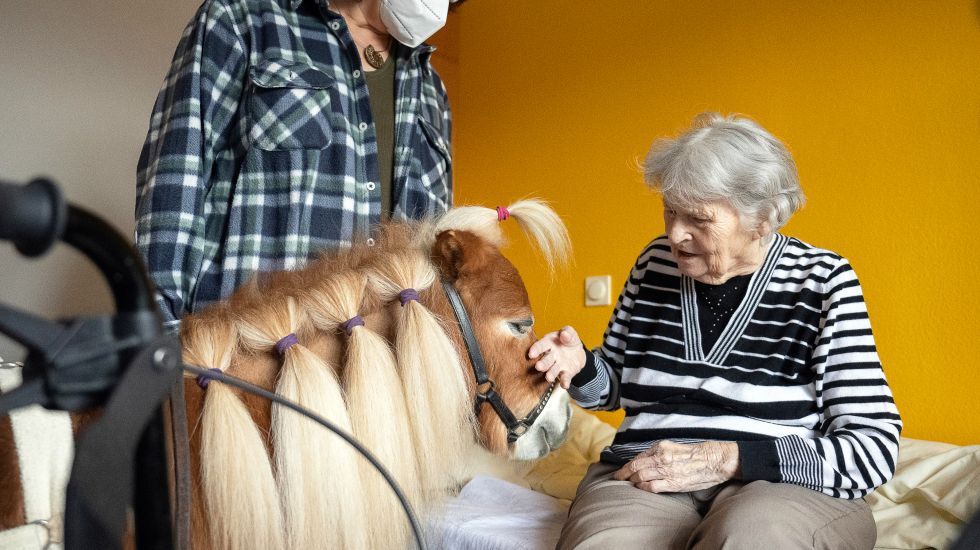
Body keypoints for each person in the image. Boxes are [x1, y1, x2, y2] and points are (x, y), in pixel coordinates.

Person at [530, 113, 902, 549]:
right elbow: (615, 390)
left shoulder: (822, 280)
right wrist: (580, 367)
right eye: (670, 210)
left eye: (699, 220)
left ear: (761, 220)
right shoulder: (654, 263)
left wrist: (731, 458)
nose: (675, 234)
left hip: (779, 486)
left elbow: (873, 446)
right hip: (649, 471)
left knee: (750, 539)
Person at [135, 0, 464, 330]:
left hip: (379, 372)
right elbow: (175, 183)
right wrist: (162, 341)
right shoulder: (244, 21)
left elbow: (436, 251)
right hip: (246, 359)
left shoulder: (432, 91)